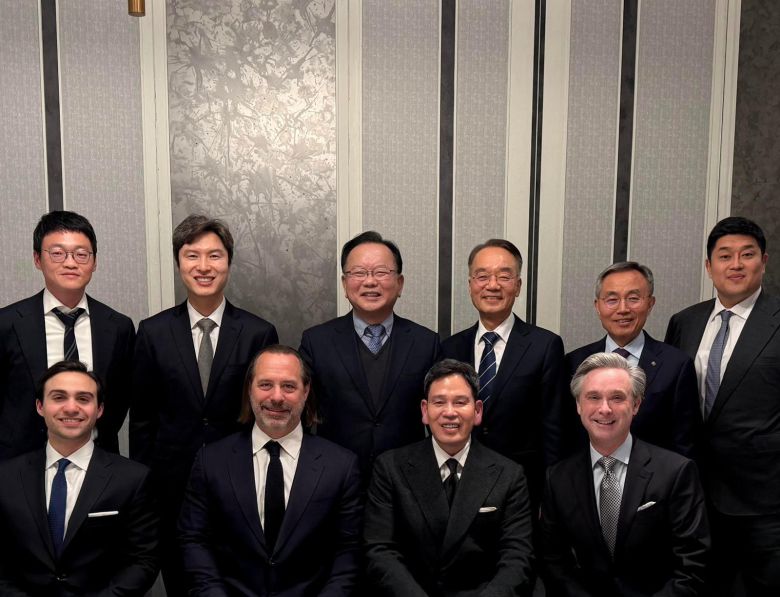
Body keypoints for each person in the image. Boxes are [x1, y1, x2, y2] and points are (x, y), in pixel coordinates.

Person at [129, 214, 278, 594]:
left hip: (241, 484)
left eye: (214, 255)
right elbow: (143, 420)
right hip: (172, 490)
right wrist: (146, 490)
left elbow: (267, 417)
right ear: (179, 262)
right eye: (192, 255)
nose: (204, 266)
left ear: (229, 262)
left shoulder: (258, 333)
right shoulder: (153, 332)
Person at [178, 345, 362, 596]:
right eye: (265, 385)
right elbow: (193, 540)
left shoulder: (341, 466)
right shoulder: (211, 461)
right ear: (249, 389)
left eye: (289, 386)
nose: (277, 397)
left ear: (306, 391)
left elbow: (348, 552)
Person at [665, 216, 780, 596]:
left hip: (764, 497)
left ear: (764, 261)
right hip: (695, 490)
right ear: (708, 265)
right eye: (725, 255)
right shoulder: (685, 322)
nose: (736, 264)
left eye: (747, 254)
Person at [541, 352, 709, 596]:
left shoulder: (676, 472)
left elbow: (693, 564)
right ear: (578, 405)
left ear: (636, 405)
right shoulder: (557, 478)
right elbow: (553, 561)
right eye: (593, 397)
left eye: (617, 398)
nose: (605, 409)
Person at [364, 359, 535, 596]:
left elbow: (517, 557)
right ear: (425, 411)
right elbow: (380, 550)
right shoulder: (390, 468)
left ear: (477, 411)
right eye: (439, 402)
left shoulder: (510, 474)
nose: (450, 412)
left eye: (460, 402)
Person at [0, 361, 159, 595]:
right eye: (59, 397)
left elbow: (143, 560)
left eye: (83, 399)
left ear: (99, 409)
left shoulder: (133, 479)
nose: (71, 408)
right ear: (40, 406)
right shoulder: (6, 477)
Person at [300, 231, 441, 474]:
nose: (370, 281)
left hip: (408, 479)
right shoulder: (317, 342)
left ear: (399, 283)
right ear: (345, 284)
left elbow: (439, 415)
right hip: (333, 477)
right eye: (359, 273)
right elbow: (299, 413)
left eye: (381, 272)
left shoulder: (426, 343)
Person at [0, 210, 134, 459]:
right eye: (58, 253)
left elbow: (119, 401)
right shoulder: (7, 324)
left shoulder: (118, 327)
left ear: (94, 262)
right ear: (37, 259)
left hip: (97, 463)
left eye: (81, 254)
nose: (71, 263)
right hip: (20, 464)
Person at [441, 238, 565, 506]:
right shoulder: (450, 347)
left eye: (504, 276)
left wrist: (551, 497)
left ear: (518, 286)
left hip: (523, 486)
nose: (493, 285)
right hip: (460, 483)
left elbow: (553, 428)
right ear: (470, 284)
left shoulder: (545, 346)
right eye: (482, 276)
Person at [565, 261, 700, 456]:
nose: (623, 309)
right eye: (612, 300)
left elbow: (685, 443)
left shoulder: (676, 365)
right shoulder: (573, 363)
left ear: (650, 303)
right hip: (587, 471)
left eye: (633, 298)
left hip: (655, 473)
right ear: (598, 306)